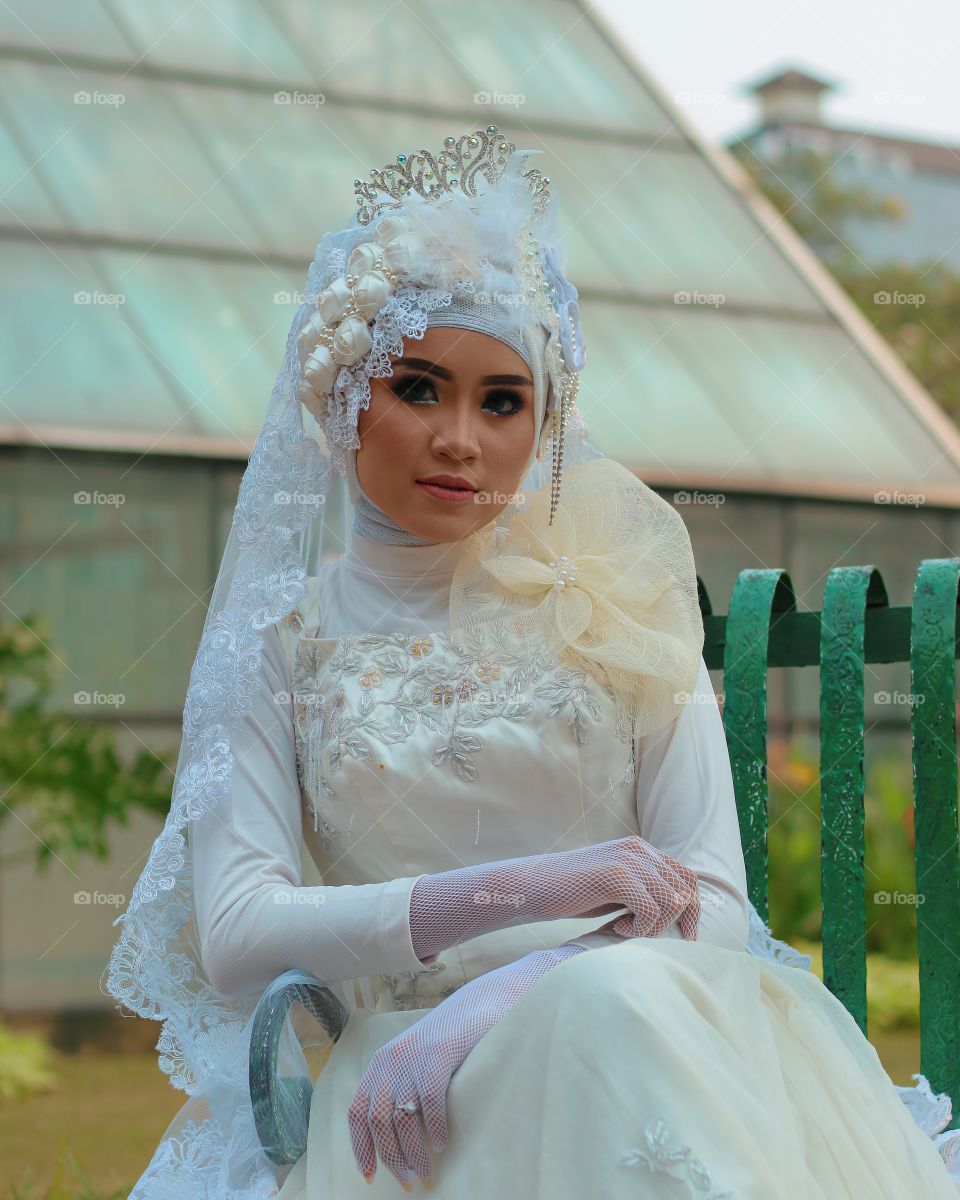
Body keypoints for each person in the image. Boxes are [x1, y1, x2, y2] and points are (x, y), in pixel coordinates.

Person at [103, 126, 960, 1199]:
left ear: (543, 425)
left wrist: (514, 988)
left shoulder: (613, 596)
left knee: (612, 1007)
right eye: (419, 387)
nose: (461, 438)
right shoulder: (282, 642)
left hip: (646, 1020)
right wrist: (525, 890)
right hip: (410, 1094)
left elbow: (723, 908)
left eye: (502, 401)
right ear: (339, 395)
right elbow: (237, 934)